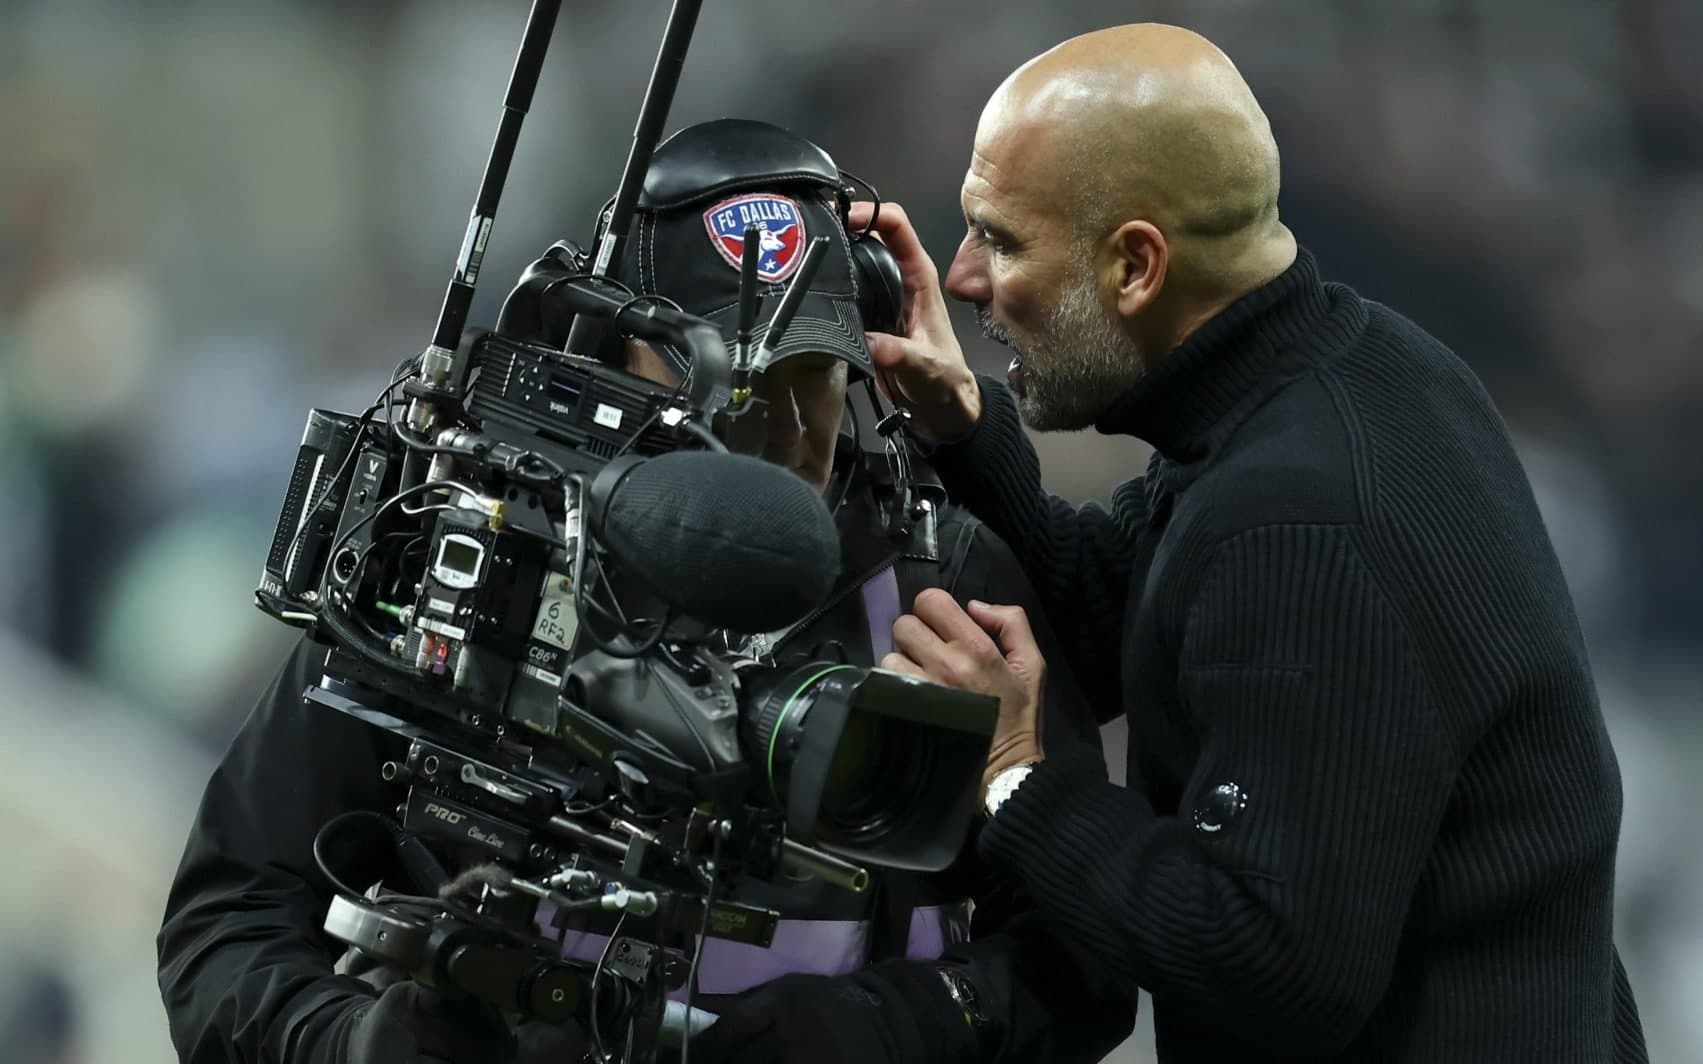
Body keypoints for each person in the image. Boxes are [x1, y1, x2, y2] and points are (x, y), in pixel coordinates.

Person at [155, 118, 1130, 1064]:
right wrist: (347, 1040)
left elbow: (1081, 958)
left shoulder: (942, 589)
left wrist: (903, 1020)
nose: (779, 428)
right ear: (610, 362)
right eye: (722, 386)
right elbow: (229, 913)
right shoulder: (464, 564)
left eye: (812, 375)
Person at [858, 22, 1650, 1064]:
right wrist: (963, 426)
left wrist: (1017, 775)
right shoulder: (1357, 369)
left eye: (1000, 239)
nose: (963, 279)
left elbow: (1265, 964)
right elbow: (1119, 619)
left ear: (1135, 264)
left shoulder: (1301, 516)